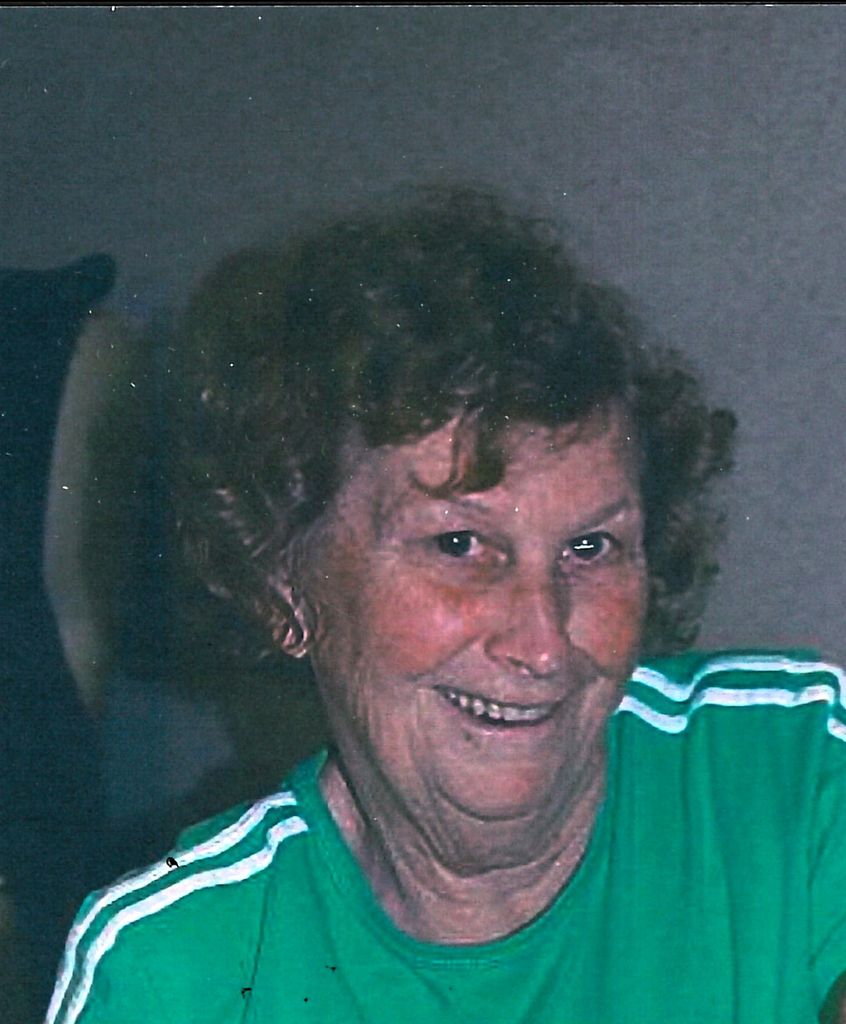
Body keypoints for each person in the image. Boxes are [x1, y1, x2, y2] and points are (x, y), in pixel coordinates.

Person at [47, 188, 846, 1023]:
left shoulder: (792, 770)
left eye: (590, 548)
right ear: (281, 581)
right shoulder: (170, 970)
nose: (543, 643)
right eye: (459, 545)